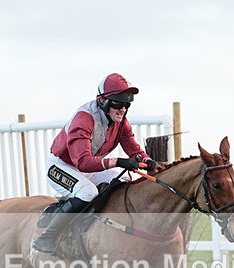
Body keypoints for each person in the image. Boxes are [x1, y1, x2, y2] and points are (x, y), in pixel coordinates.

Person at [31, 73, 157, 254]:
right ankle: (47, 238)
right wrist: (120, 161)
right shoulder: (84, 119)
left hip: (87, 166)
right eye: (118, 102)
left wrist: (147, 160)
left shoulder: (121, 121)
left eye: (127, 104)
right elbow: (82, 162)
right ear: (102, 101)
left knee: (123, 183)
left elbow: (132, 146)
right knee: (88, 191)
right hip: (61, 166)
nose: (123, 109)